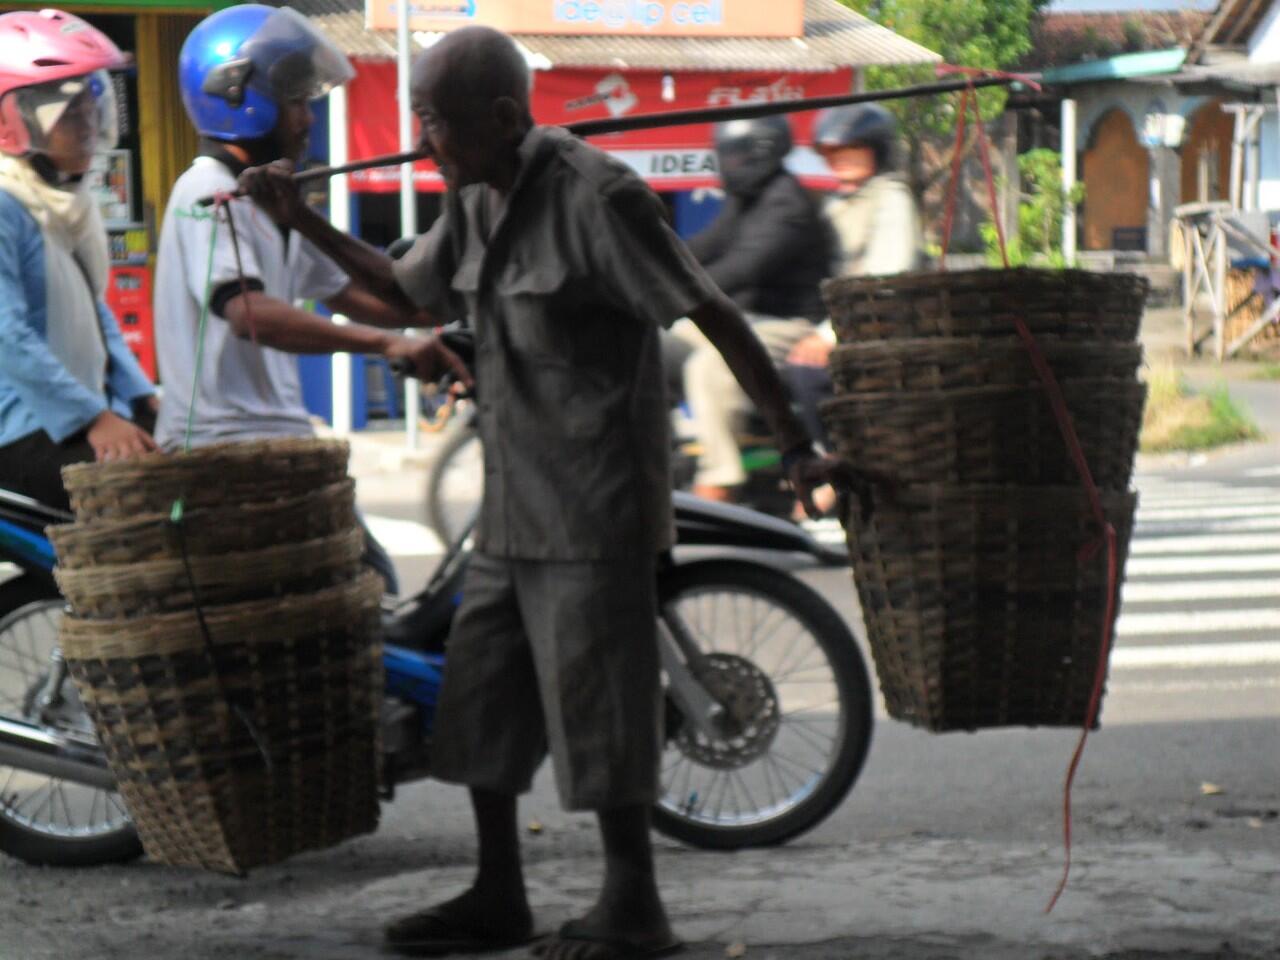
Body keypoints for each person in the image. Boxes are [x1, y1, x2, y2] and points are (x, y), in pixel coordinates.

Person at [237, 25, 842, 960]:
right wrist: (301, 221)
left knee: (602, 708)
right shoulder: (475, 197)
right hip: (515, 505)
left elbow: (711, 313)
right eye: (419, 120)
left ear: (505, 117)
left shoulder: (602, 199)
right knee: (481, 701)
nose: (425, 137)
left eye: (436, 120)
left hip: (595, 506)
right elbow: (409, 293)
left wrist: (797, 441)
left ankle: (635, 907)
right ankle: (497, 893)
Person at [155, 4, 453, 591]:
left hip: (280, 443)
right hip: (228, 453)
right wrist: (386, 344)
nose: (307, 118)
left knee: (372, 585)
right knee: (369, 587)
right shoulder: (208, 195)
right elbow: (249, 315)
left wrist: (446, 321)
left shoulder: (276, 203)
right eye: (293, 100)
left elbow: (385, 302)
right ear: (240, 98)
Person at [0, 9, 158, 513]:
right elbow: (7, 335)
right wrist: (91, 418)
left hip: (67, 418)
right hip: (23, 430)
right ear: (15, 122)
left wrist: (140, 396)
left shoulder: (63, 204)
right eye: (69, 114)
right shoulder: (7, 204)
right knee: (152, 505)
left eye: (93, 108)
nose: (89, 124)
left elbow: (94, 310)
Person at [672, 116, 834, 503]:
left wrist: (670, 293)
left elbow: (742, 268)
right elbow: (704, 247)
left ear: (761, 154)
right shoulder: (748, 199)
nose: (728, 167)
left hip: (791, 324)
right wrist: (650, 264)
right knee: (653, 343)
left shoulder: (786, 204)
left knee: (708, 366)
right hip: (750, 319)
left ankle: (721, 478)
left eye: (735, 158)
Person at [783, 104, 927, 475]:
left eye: (849, 150)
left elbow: (885, 276)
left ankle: (837, 466)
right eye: (832, 153)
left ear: (875, 151)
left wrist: (829, 335)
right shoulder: (833, 204)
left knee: (808, 372)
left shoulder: (891, 198)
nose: (839, 161)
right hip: (832, 322)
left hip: (879, 326)